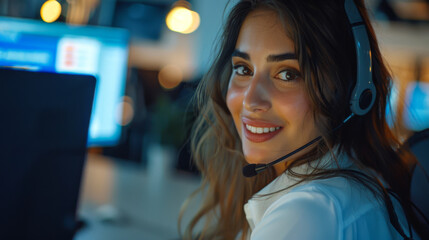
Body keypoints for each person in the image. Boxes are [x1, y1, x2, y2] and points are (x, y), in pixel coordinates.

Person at [179, 0, 428, 239]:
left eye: (287, 74)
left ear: (352, 92)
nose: (250, 101)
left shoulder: (308, 212)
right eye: (243, 69)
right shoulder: (354, 183)